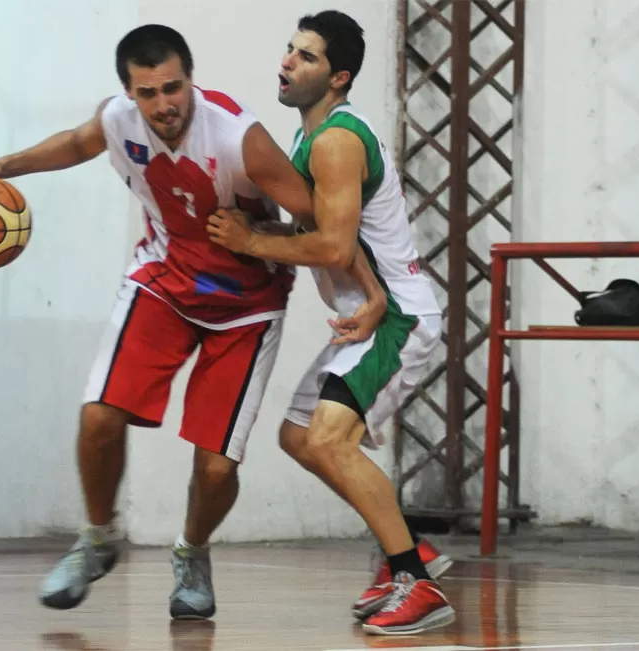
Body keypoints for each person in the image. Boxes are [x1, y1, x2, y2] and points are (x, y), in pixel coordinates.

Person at [0, 23, 382, 620]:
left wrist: (369, 290)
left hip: (247, 303)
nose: (163, 104)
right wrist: (1, 167)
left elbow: (324, 220)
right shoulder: (118, 119)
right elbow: (75, 143)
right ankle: (98, 539)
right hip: (165, 283)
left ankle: (192, 552)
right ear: (129, 92)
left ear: (190, 81)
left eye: (172, 89)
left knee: (217, 463)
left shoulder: (238, 138)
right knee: (99, 416)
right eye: (147, 93)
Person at [206, 10, 456, 636]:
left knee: (326, 440)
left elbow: (335, 249)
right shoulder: (305, 141)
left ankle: (416, 583)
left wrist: (250, 240)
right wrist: (264, 231)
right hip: (363, 317)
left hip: (397, 316)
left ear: (339, 77)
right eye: (290, 50)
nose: (287, 62)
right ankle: (414, 548)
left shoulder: (337, 142)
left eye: (307, 56)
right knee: (298, 438)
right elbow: (318, 233)